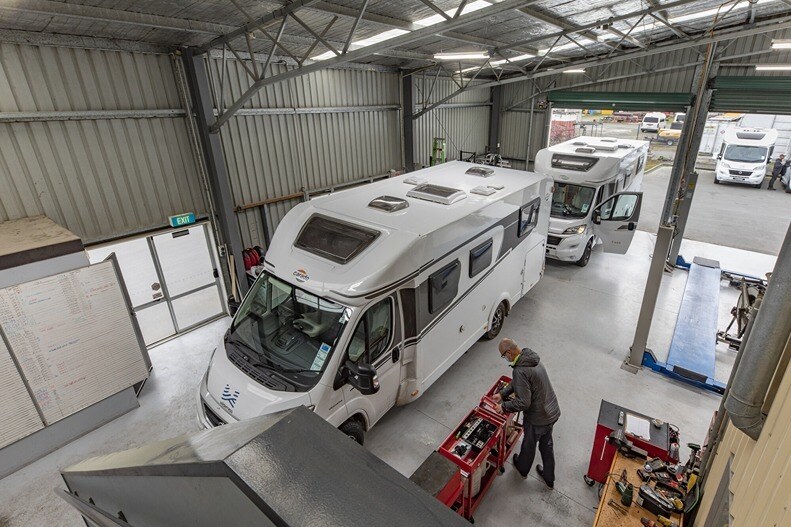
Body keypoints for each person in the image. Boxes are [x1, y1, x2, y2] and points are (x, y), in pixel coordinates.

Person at [493, 338, 561, 488]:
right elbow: (520, 382)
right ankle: (549, 478)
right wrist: (503, 393)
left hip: (538, 418)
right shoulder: (530, 358)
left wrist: (503, 406)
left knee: (529, 445)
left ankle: (522, 469)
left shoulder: (520, 370)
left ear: (509, 353)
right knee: (547, 445)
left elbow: (524, 402)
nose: (506, 359)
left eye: (504, 356)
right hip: (552, 411)